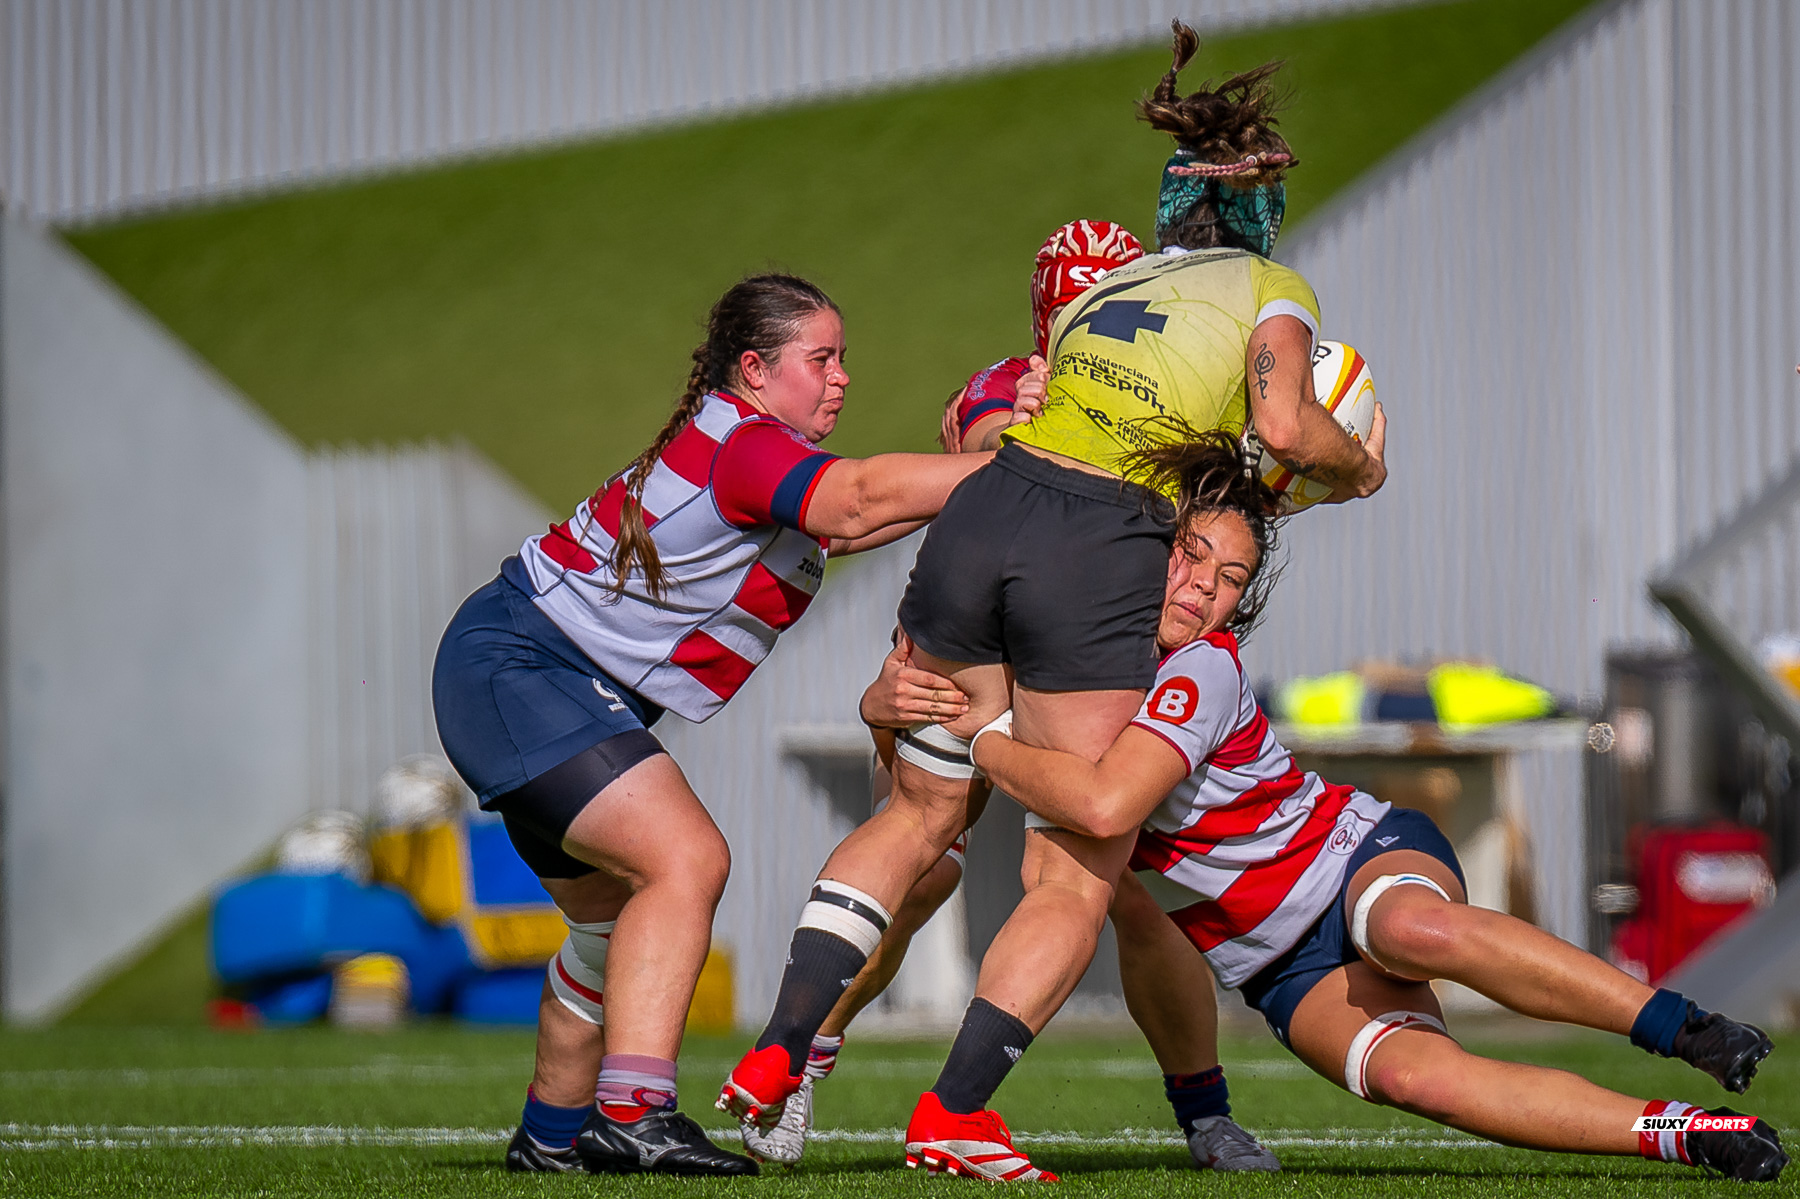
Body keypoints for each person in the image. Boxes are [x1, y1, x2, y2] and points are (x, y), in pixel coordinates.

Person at [721, 23, 1387, 1181]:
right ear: (1257, 219)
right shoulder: (1267, 288)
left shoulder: (1084, 323)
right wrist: (1355, 467)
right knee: (1082, 857)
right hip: (1091, 547)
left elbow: (1013, 448)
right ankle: (958, 1111)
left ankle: (782, 1046)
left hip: (988, 519)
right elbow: (1281, 430)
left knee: (925, 827)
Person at [963, 432, 1787, 1184]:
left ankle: (1687, 1027)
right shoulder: (1078, 654)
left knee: (1408, 931)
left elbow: (1106, 806)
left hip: (1353, 857)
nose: (1203, 588)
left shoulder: (1201, 668)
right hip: (1277, 963)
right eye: (1192, 555)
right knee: (1410, 1077)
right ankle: (1693, 1132)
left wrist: (984, 739)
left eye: (1231, 578)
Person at [735, 220, 1277, 1175]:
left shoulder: (1143, 387)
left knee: (1108, 892)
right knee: (981, 865)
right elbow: (994, 455)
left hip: (1001, 631)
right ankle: (816, 1048)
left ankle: (1204, 1108)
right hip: (1048, 643)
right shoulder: (1030, 391)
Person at [431, 274, 994, 1177]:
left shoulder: (750, 450)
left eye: (843, 357)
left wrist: (1004, 481)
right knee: (687, 859)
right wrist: (1038, 467)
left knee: (607, 929)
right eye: (822, 358)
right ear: (754, 370)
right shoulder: (747, 443)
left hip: (521, 669)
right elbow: (854, 503)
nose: (843, 376)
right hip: (524, 667)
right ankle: (636, 1113)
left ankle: (551, 1133)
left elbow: (848, 528)